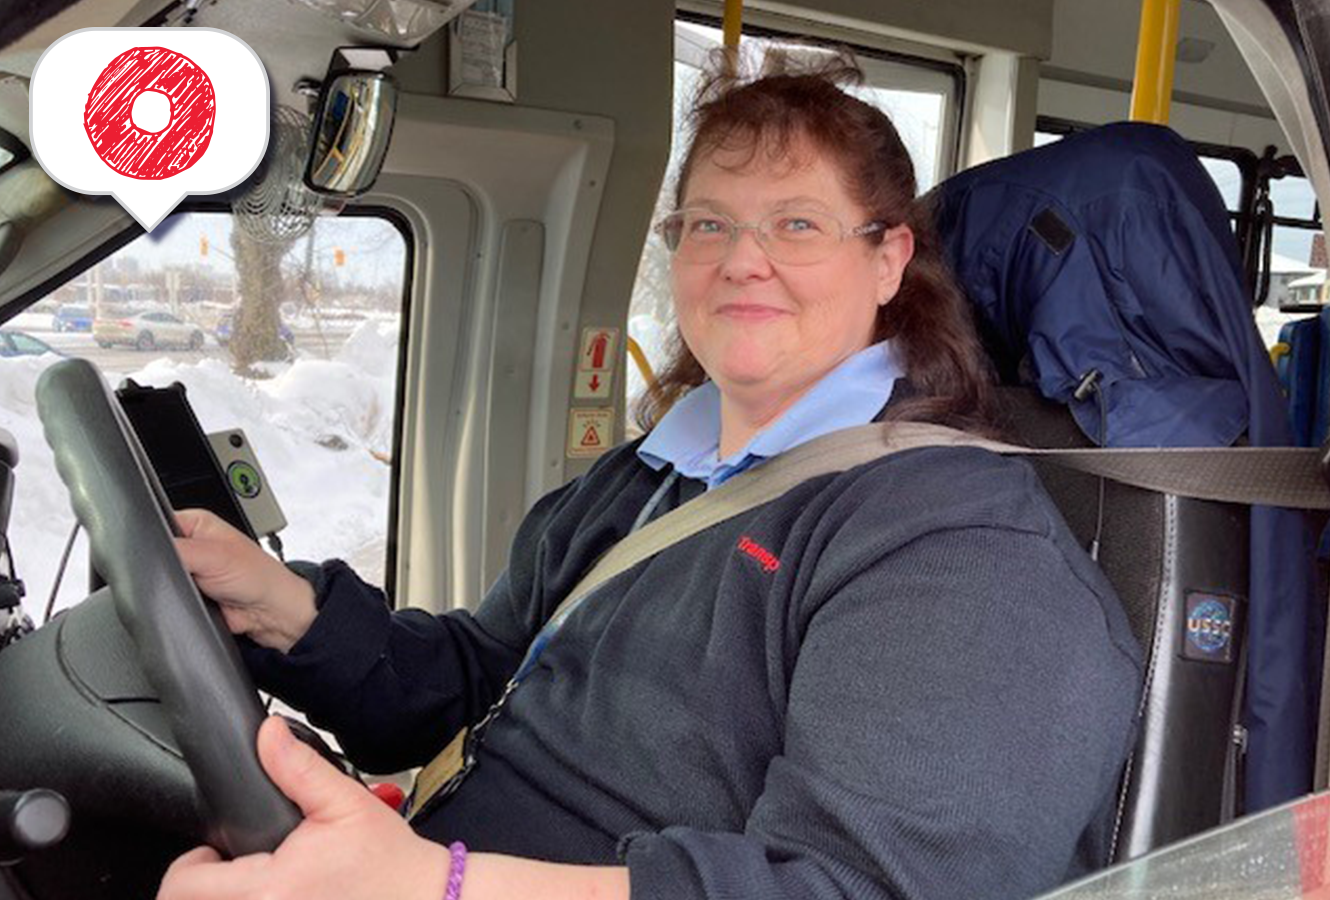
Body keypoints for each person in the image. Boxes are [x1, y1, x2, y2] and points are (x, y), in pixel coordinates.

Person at [158, 53, 1142, 900]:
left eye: (795, 225)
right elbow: (478, 679)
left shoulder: (961, 550)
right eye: (708, 226)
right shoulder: (648, 474)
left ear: (888, 260)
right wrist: (279, 606)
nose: (740, 262)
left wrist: (438, 884)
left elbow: (858, 888)